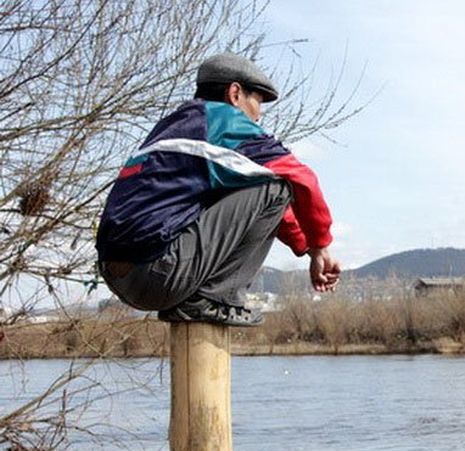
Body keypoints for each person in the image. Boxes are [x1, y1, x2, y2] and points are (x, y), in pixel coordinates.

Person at [96, 53, 340, 326]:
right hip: (156, 272)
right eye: (256, 103)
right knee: (277, 186)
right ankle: (214, 298)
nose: (258, 117)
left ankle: (201, 298)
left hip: (118, 275)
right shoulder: (222, 121)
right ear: (235, 94)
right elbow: (301, 180)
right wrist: (320, 248)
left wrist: (305, 246)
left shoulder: (176, 125)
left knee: (254, 184)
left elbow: (260, 205)